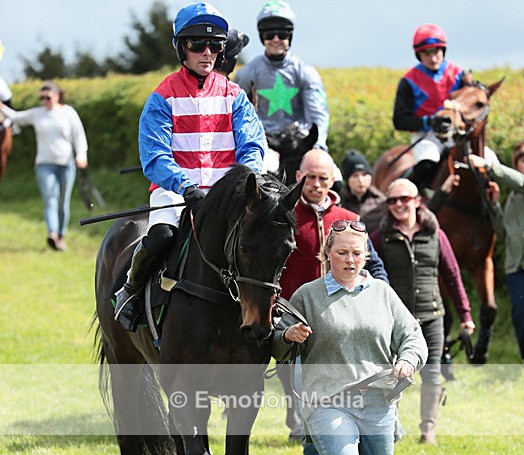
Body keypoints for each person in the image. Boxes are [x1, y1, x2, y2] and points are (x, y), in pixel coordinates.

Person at [272, 221, 427, 455]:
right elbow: (275, 344)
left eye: (357, 253)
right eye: (341, 252)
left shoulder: (383, 295)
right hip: (327, 401)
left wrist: (407, 360)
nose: (350, 259)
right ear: (326, 255)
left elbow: (413, 337)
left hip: (377, 399)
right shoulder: (306, 296)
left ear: (367, 256)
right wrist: (287, 335)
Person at [114, 2, 266, 332]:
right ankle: (130, 291)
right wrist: (186, 187)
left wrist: (245, 183)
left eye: (215, 45)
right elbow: (154, 157)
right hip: (177, 193)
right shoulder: (161, 97)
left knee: (262, 240)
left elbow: (252, 147)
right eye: (198, 44)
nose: (207, 52)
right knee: (161, 236)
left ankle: (273, 310)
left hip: (227, 198)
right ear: (181, 47)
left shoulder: (234, 96)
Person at [279, 148, 389, 455]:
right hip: (298, 325)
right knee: (311, 405)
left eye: (323, 178)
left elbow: (376, 268)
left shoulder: (349, 219)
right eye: (309, 177)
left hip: (348, 329)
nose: (316, 184)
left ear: (333, 180)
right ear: (298, 177)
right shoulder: (283, 217)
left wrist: (382, 301)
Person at [371, 178, 475, 444]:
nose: (398, 205)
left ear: (417, 201)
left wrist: (465, 315)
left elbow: (453, 276)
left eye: (404, 199)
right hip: (395, 319)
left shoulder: (436, 234)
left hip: (432, 316)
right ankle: (390, 427)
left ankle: (428, 430)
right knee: (391, 374)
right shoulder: (380, 237)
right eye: (392, 200)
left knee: (431, 373)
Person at [0, 82, 88, 251]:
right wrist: (1, 106)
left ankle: (61, 235)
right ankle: (52, 233)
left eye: (47, 97)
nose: (44, 101)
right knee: (50, 199)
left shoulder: (68, 113)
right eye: (41, 98)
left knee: (63, 202)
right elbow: (16, 116)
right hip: (44, 164)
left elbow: (79, 136)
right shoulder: (37, 114)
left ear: (56, 96)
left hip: (66, 163)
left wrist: (81, 156)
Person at [234, 1, 330, 151]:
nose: (276, 39)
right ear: (262, 37)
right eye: (269, 34)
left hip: (299, 144)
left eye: (282, 34)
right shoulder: (246, 74)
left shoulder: (306, 72)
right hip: (263, 144)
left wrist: (319, 146)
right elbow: (238, 117)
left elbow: (318, 115)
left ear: (290, 36)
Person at [468, 142, 524, 364]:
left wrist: (490, 166)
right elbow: (504, 235)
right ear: (516, 165)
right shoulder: (513, 199)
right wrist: (495, 206)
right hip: (518, 271)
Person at [392, 24, 467, 194]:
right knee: (427, 164)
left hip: (457, 134)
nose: (433, 58)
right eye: (427, 53)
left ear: (443, 50)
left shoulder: (459, 75)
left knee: (487, 160)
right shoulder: (408, 81)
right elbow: (399, 120)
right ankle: (407, 197)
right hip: (427, 137)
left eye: (436, 52)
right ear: (419, 55)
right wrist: (430, 122)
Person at [339, 150, 386, 234]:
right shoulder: (339, 202)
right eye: (355, 176)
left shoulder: (382, 201)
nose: (360, 180)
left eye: (364, 175)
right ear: (347, 179)